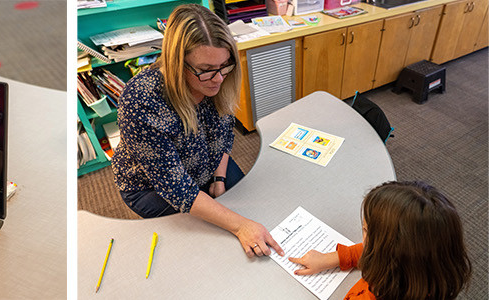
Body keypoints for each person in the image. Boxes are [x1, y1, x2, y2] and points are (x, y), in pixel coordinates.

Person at [111, 4, 282, 257]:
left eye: (225, 65)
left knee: (252, 212)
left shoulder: (220, 76)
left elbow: (224, 136)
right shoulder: (141, 99)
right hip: (151, 186)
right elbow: (176, 188)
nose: (219, 79)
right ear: (177, 63)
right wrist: (239, 224)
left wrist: (220, 179)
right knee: (209, 249)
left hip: (205, 164)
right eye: (205, 70)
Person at [287, 181, 471, 299]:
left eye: (366, 231)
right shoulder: (428, 272)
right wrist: (334, 258)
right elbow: (373, 249)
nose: (363, 236)